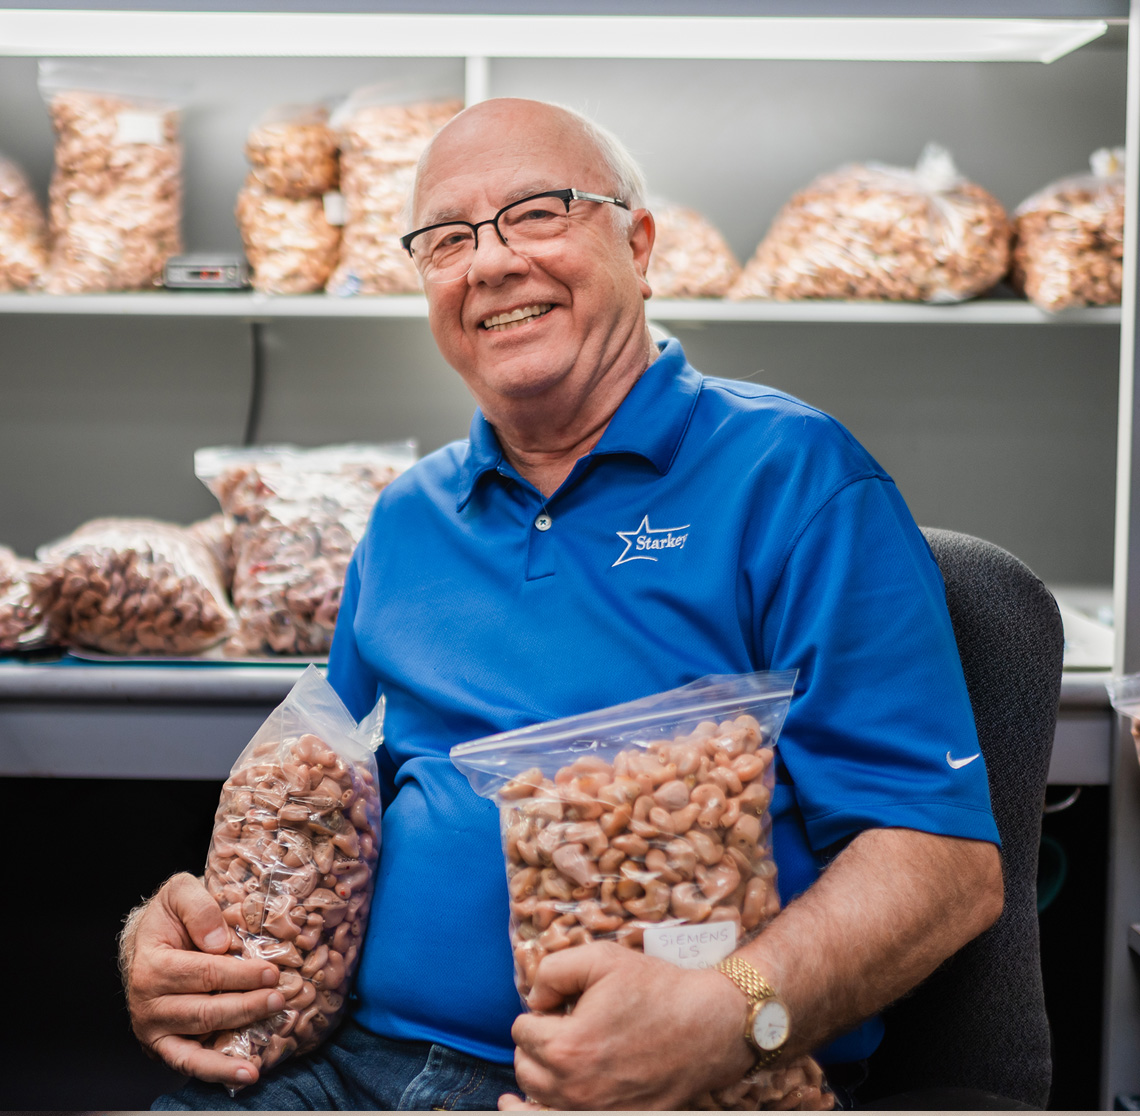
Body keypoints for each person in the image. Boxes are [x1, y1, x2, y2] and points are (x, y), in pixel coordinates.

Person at [121, 98, 1004, 1112]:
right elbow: (320, 819)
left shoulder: (796, 479)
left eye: (539, 214)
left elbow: (943, 863)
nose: (491, 263)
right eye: (449, 238)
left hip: (666, 1087)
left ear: (639, 244)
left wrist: (729, 1013)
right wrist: (174, 938)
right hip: (344, 1070)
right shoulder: (406, 520)